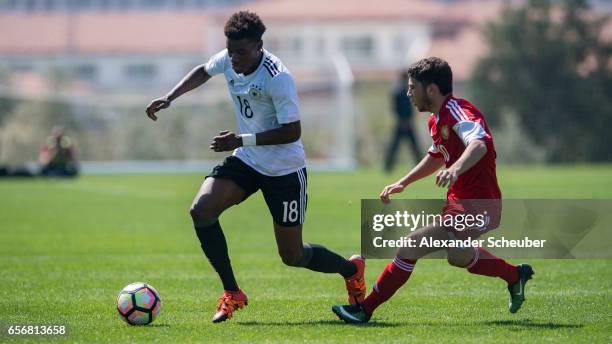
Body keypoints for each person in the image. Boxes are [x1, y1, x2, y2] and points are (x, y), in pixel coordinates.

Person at [145, 11, 365, 323]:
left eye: (241, 52)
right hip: (248, 161)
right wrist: (169, 97)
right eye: (230, 51)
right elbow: (203, 71)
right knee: (201, 209)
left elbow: (293, 131)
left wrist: (241, 140)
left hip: (285, 169)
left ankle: (351, 270)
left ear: (259, 45)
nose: (234, 59)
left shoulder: (278, 78)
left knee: (293, 256)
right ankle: (232, 292)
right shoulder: (231, 56)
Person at [332, 57, 534, 323]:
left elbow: (479, 144)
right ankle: (514, 275)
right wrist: (404, 181)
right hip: (459, 202)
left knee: (409, 247)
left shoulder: (458, 111)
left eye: (412, 87)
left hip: (480, 204)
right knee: (458, 255)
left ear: (431, 89)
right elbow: (437, 156)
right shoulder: (436, 120)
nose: (408, 93)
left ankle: (364, 309)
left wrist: (455, 169)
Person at [384, 71, 421, 172]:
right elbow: (395, 108)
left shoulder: (409, 93)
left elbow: (412, 108)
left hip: (408, 123)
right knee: (394, 147)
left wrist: (409, 120)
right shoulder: (397, 93)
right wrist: (401, 120)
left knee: (414, 147)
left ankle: (420, 166)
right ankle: (387, 166)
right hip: (400, 123)